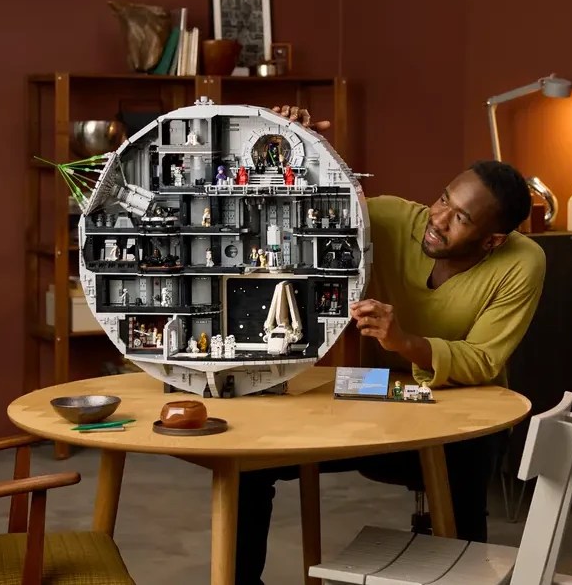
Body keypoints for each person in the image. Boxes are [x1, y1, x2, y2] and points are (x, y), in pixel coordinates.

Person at [230, 106, 547, 585]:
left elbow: (483, 360)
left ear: (493, 240)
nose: (437, 219)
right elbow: (316, 206)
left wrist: (404, 341)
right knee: (251, 467)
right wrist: (296, 143)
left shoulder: (524, 262)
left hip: (468, 411)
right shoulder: (393, 218)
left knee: (463, 492)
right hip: (379, 394)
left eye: (460, 218)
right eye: (443, 199)